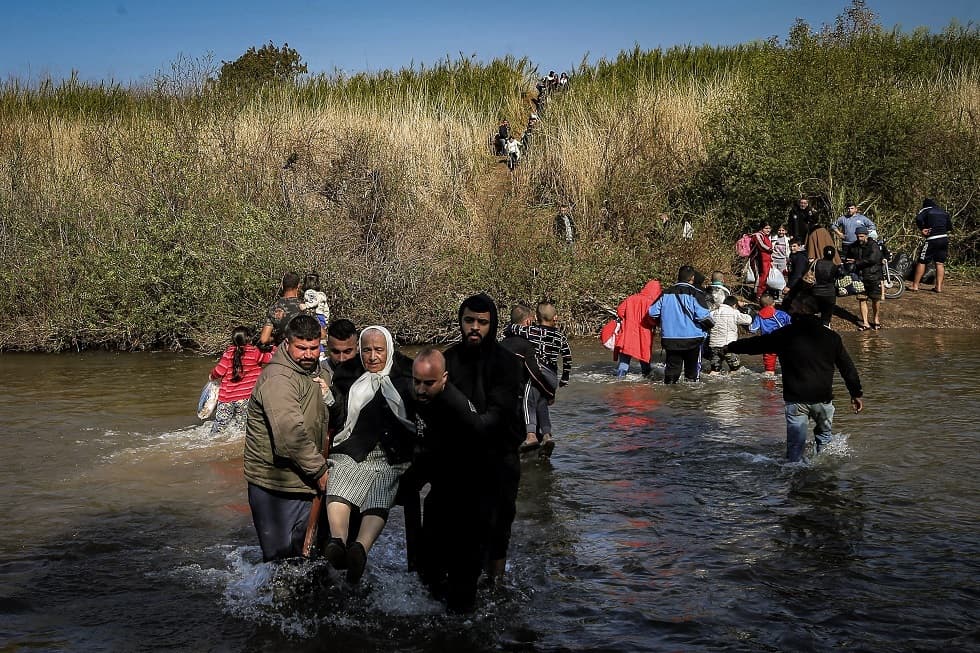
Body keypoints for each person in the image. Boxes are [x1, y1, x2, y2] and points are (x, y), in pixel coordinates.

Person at [321, 326, 417, 584]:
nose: (372, 357)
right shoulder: (347, 374)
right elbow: (340, 419)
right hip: (354, 448)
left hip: (392, 454)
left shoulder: (407, 375)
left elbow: (420, 416)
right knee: (340, 472)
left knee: (384, 482)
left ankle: (360, 548)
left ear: (389, 350)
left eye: (379, 350)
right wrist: (330, 398)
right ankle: (338, 541)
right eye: (367, 350)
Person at [443, 293, 525, 587]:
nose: (474, 328)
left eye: (482, 322)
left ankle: (497, 580)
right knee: (460, 526)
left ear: (493, 324)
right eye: (469, 321)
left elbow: (501, 413)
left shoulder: (507, 363)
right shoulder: (448, 360)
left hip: (499, 454)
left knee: (500, 521)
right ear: (460, 321)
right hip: (458, 457)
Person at [724, 293, 864, 462]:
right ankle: (826, 479)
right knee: (825, 443)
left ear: (803, 309)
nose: (790, 308)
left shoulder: (785, 335)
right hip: (823, 399)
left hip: (796, 399)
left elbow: (756, 345)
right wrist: (856, 393)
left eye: (793, 306)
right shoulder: (831, 337)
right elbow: (847, 367)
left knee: (795, 450)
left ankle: (795, 480)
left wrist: (729, 347)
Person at [243, 314, 331, 562]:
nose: (308, 354)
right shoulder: (278, 380)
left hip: (305, 479)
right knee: (280, 564)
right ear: (286, 343)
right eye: (301, 348)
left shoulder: (319, 370)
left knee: (310, 560)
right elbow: (289, 437)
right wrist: (321, 473)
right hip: (275, 485)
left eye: (314, 348)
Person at [412, 348, 487, 613]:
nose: (421, 389)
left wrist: (415, 478)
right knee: (430, 568)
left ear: (444, 378)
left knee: (462, 578)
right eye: (417, 382)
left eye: (428, 383)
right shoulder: (426, 400)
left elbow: (439, 456)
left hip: (469, 497)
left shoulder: (454, 409)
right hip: (443, 491)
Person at [504, 301, 572, 456]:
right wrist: (564, 379)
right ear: (555, 317)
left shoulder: (532, 332)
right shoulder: (560, 336)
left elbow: (514, 328)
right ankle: (547, 435)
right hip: (553, 375)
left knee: (529, 401)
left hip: (539, 372)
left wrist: (508, 328)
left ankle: (531, 436)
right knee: (541, 402)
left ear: (536, 318)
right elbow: (567, 358)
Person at [647, 266, 713, 384]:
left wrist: (662, 323)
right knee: (692, 375)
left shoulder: (665, 293)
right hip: (692, 339)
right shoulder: (696, 294)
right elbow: (703, 316)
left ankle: (671, 398)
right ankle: (688, 400)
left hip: (670, 338)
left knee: (672, 372)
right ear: (692, 278)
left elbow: (652, 312)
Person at [209, 326, 273, 437]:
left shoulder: (228, 354)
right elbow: (272, 357)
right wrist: (272, 346)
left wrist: (211, 376)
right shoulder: (255, 353)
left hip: (226, 399)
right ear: (250, 339)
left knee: (219, 428)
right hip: (245, 398)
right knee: (242, 429)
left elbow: (218, 371)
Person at [613, 279, 662, 377]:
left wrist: (628, 319)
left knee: (624, 360)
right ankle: (646, 377)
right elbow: (652, 319)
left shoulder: (631, 298)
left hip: (628, 332)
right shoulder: (651, 303)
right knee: (644, 357)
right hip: (644, 334)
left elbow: (620, 311)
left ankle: (620, 378)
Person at [844, 225, 883, 331]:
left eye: (861, 236)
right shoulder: (853, 246)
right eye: (857, 236)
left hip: (873, 276)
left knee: (876, 300)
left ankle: (876, 319)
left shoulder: (873, 245)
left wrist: (856, 262)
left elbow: (873, 259)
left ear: (866, 235)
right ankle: (865, 322)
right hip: (860, 276)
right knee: (862, 299)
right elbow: (847, 258)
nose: (859, 238)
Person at [910, 198, 952, 293]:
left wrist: (923, 228)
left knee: (922, 261)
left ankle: (915, 285)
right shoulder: (943, 212)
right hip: (944, 239)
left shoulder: (926, 210)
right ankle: (938, 287)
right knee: (940, 263)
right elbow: (949, 227)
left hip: (932, 239)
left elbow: (918, 218)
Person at [258, 272, 306, 346]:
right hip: (301, 350)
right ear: (298, 286)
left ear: (282, 286)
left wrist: (274, 338)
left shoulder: (274, 308)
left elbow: (264, 339)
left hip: (281, 352)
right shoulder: (304, 307)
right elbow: (321, 333)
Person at [749, 294, 791, 377]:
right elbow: (792, 325)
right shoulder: (781, 314)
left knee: (769, 371)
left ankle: (769, 387)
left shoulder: (759, 316)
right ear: (774, 303)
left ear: (761, 305)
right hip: (783, 341)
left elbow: (753, 330)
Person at [705, 295, 750, 373]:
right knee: (735, 371)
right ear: (734, 305)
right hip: (728, 346)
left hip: (714, 346)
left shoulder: (713, 313)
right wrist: (743, 311)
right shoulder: (734, 312)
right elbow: (748, 320)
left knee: (714, 371)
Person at [812, 245, 843, 326]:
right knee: (826, 316)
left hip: (815, 291)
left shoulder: (816, 263)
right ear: (833, 255)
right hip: (829, 293)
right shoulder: (835, 267)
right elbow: (838, 278)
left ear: (823, 253)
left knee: (813, 314)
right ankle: (825, 331)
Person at [299, 272, 330, 346]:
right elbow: (326, 309)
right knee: (320, 335)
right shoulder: (321, 294)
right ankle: (321, 350)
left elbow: (314, 302)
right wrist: (326, 319)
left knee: (315, 335)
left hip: (315, 316)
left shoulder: (309, 292)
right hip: (321, 317)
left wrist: (306, 305)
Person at [749, 222, 773, 301]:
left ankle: (760, 294)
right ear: (761, 228)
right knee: (759, 278)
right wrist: (770, 250)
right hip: (758, 260)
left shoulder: (766, 236)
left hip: (765, 260)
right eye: (766, 228)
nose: (768, 230)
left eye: (769, 228)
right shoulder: (757, 235)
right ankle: (757, 296)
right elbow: (761, 246)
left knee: (764, 277)